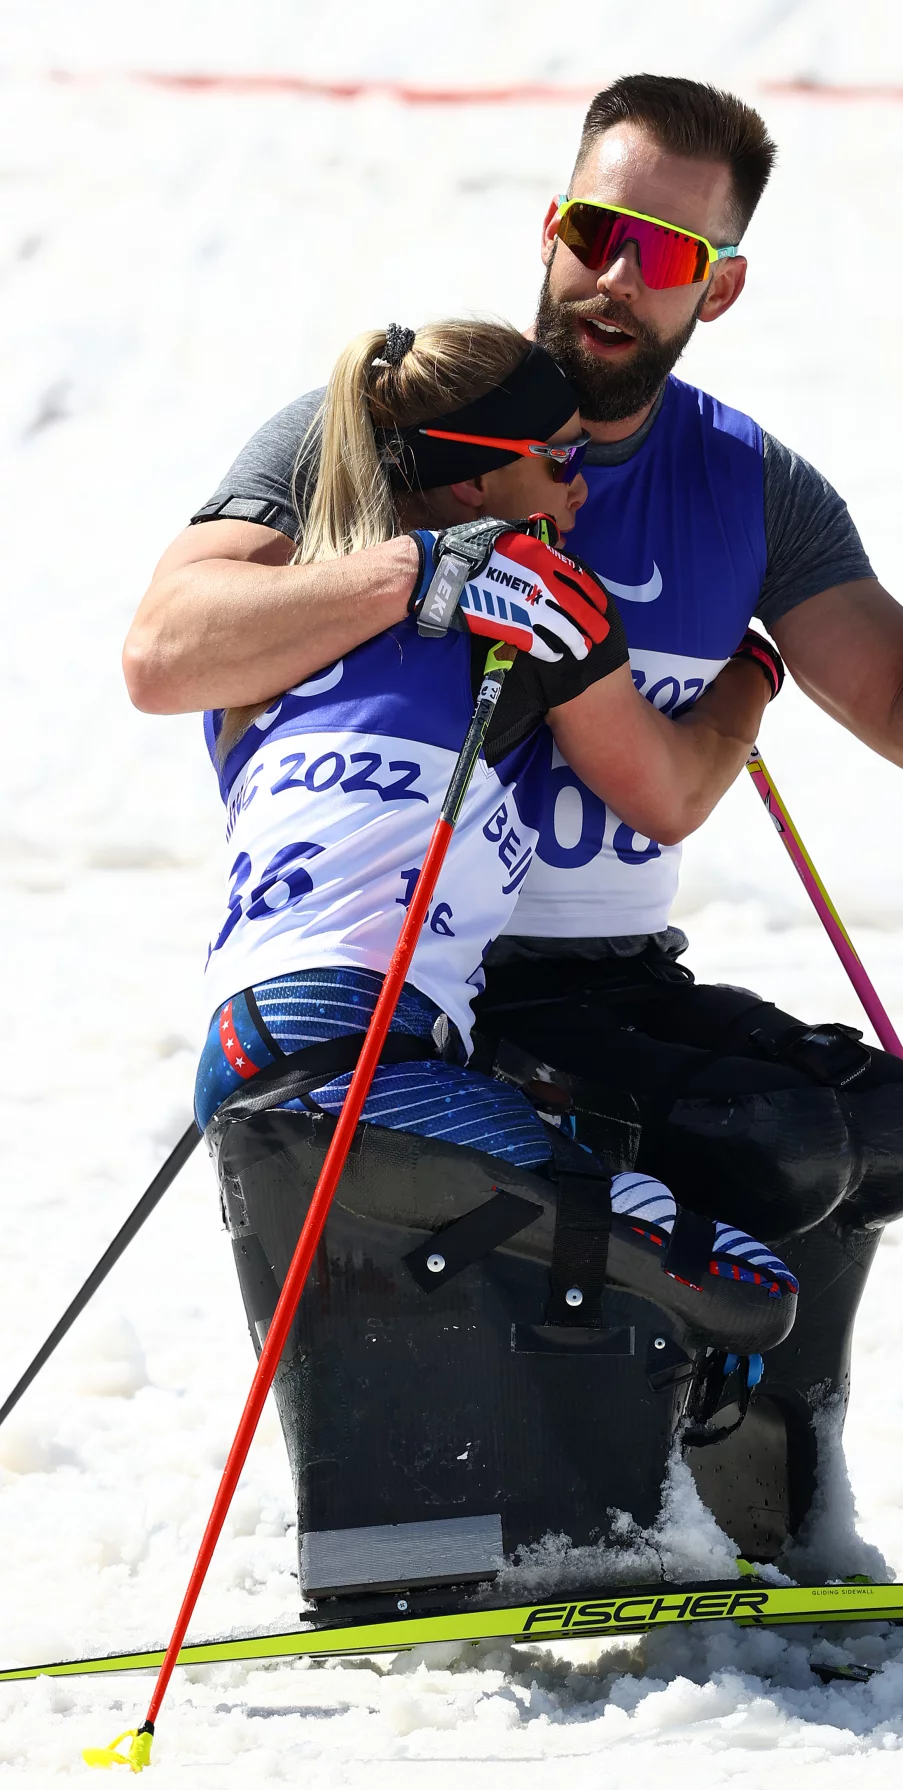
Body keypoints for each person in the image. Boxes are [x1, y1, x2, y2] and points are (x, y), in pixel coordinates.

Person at [128, 75, 903, 1549]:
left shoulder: (748, 487)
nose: (618, 277)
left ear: (722, 286)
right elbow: (164, 651)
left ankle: (772, 1516)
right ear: (551, 226)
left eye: (668, 252)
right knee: (772, 1137)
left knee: (883, 1129)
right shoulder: (410, 420)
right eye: (596, 230)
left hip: (612, 977)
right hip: (445, 988)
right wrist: (413, 572)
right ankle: (601, 1501)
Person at [195, 312, 794, 1294]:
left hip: (247, 1047)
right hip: (368, 1058)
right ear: (475, 481)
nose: (580, 486)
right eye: (561, 461)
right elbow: (675, 792)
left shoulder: (279, 621)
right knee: (744, 1290)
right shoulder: (531, 595)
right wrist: (754, 675)